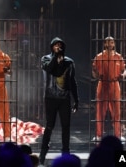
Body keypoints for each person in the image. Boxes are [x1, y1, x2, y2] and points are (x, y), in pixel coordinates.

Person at [39, 37, 79, 166]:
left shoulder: (69, 62)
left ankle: (65, 154)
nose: (58, 47)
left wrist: (76, 99)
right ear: (51, 47)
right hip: (50, 98)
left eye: (60, 45)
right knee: (49, 125)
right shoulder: (45, 59)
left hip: (64, 99)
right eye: (55, 45)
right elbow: (51, 70)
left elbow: (73, 82)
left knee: (66, 127)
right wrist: (56, 57)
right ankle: (42, 154)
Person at [92, 36, 126, 142]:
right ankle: (98, 135)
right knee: (100, 111)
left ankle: (118, 135)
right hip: (102, 84)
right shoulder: (99, 57)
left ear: (114, 44)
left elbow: (124, 71)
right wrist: (95, 74)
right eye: (108, 42)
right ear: (104, 44)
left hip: (114, 84)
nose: (110, 44)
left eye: (112, 42)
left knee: (116, 112)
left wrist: (123, 75)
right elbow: (94, 72)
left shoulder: (118, 57)